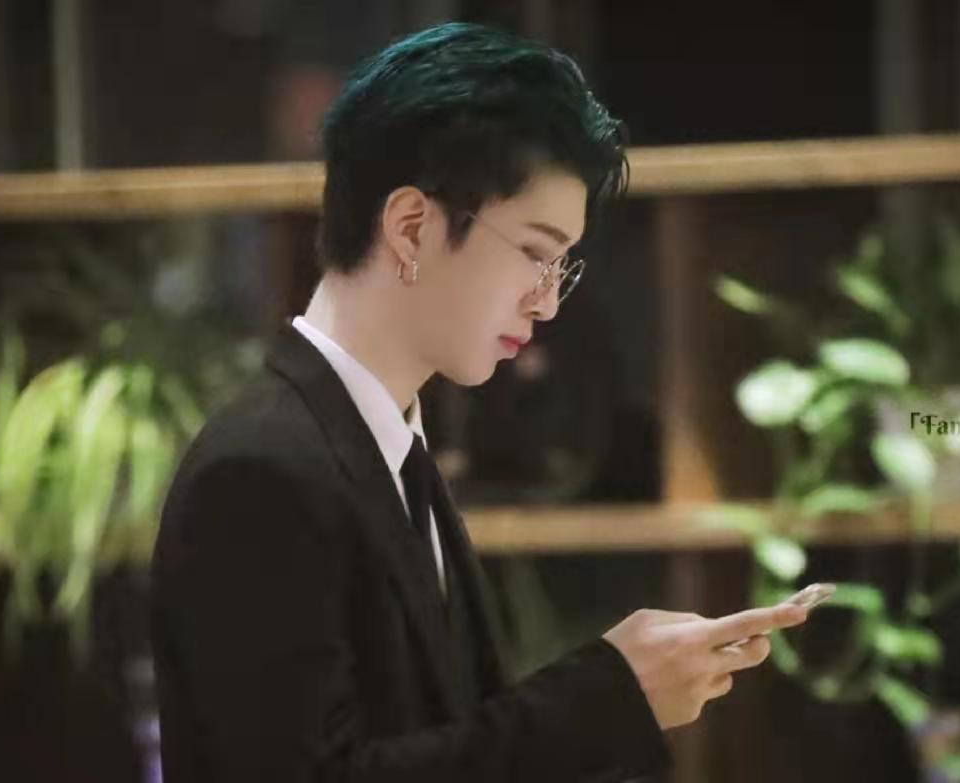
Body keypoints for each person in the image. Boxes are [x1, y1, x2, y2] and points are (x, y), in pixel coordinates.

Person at [149, 21, 810, 783]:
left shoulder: (389, 451)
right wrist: (608, 696)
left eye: (560, 267)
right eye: (533, 252)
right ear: (410, 227)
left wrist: (620, 693)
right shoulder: (261, 470)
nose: (546, 302)